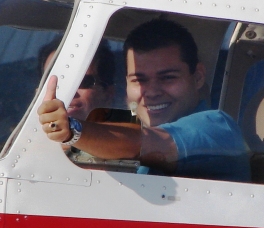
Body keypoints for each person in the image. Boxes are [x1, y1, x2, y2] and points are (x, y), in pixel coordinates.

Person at [38, 18, 250, 182]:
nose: (151, 91)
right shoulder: (122, 128)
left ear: (198, 77)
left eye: (168, 78)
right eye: (139, 80)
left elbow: (151, 142)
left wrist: (71, 130)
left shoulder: (220, 129)